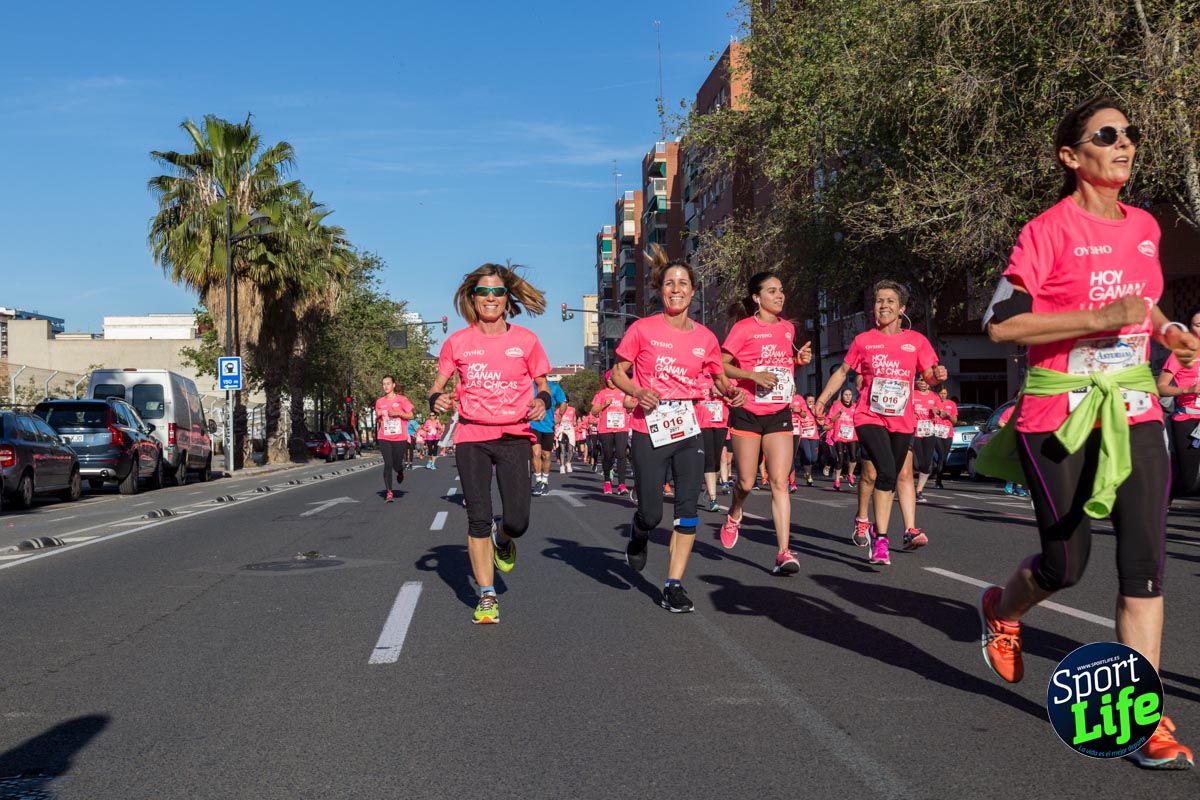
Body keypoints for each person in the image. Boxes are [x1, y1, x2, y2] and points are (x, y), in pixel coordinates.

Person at [979, 97, 1197, 769]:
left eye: (1131, 133)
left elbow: (1144, 296)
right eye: (1108, 135)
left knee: (1144, 566)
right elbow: (1003, 325)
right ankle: (1000, 609)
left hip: (1132, 407)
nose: (1126, 143)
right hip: (1060, 417)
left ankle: (1144, 716)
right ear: (1072, 156)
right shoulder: (1046, 231)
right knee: (1065, 565)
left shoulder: (1145, 228)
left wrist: (1164, 329)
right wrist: (1099, 316)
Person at [611, 245, 744, 612]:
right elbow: (616, 372)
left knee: (687, 508)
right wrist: (638, 390)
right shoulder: (642, 330)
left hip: (688, 428)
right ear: (661, 290)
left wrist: (731, 393)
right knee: (653, 512)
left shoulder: (705, 338)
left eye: (682, 283)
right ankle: (639, 533)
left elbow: (718, 379)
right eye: (669, 283)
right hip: (648, 429)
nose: (675, 289)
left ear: (693, 290)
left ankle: (673, 584)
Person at [427, 263, 552, 625]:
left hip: (514, 435)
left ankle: (505, 538)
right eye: (484, 292)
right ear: (473, 297)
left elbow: (542, 384)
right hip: (472, 436)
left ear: (507, 298)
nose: (491, 298)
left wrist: (542, 399)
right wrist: (436, 399)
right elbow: (437, 385)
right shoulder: (458, 343)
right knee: (478, 517)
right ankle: (486, 594)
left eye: (498, 292)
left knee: (518, 518)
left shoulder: (526, 341)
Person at [814, 280, 947, 565]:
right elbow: (843, 372)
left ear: (902, 309)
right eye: (879, 301)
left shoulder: (916, 341)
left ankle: (880, 529)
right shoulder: (864, 341)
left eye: (889, 301)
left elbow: (930, 376)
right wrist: (823, 400)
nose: (883, 305)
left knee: (889, 475)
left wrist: (939, 375)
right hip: (869, 416)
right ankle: (882, 539)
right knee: (886, 470)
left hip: (902, 420)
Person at [719, 272, 813, 574]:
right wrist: (751, 376)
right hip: (748, 412)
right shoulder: (743, 328)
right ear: (757, 298)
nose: (779, 295)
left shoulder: (787, 329)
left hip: (779, 413)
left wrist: (799, 362)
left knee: (779, 482)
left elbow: (783, 367)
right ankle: (735, 513)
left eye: (781, 290)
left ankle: (784, 551)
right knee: (746, 482)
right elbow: (721, 363)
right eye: (772, 291)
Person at [1157, 306, 1200, 496]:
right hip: (1188, 420)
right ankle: (1164, 499)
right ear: (1190, 328)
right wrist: (1187, 389)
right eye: (1199, 325)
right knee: (1188, 481)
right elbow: (1161, 386)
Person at [590, 370, 636, 495]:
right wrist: (603, 405)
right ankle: (607, 483)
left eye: (613, 379)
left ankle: (621, 484)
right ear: (606, 380)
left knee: (621, 455)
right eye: (609, 379)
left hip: (622, 428)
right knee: (608, 456)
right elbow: (594, 411)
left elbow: (632, 405)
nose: (611, 381)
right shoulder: (601, 393)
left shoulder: (625, 392)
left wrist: (631, 406)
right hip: (606, 429)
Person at [374, 375, 415, 503]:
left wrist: (399, 413)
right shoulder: (379, 402)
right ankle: (389, 492)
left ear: (393, 385)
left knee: (397, 463)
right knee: (388, 464)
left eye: (388, 383)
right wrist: (379, 415)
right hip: (384, 437)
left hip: (399, 437)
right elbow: (378, 418)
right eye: (384, 384)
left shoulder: (402, 400)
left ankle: (400, 471)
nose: (385, 386)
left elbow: (411, 415)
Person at [696, 377, 730, 512]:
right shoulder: (698, 377)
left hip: (721, 421)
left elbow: (735, 400)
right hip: (703, 423)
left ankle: (710, 487)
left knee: (716, 461)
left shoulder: (726, 379)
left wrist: (721, 393)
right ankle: (713, 498)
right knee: (709, 460)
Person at [529, 380, 566, 496]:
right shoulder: (529, 385)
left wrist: (560, 414)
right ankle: (538, 481)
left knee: (546, 455)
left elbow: (563, 402)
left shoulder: (554, 387)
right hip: (532, 424)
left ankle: (545, 481)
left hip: (548, 426)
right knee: (536, 453)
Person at [911, 377, 940, 503]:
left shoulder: (934, 396)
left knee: (926, 464)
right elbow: (905, 410)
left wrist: (937, 411)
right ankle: (907, 486)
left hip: (929, 431)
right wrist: (911, 414)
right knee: (917, 464)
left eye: (926, 381)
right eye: (921, 380)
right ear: (917, 382)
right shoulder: (912, 394)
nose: (923, 383)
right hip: (915, 431)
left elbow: (940, 410)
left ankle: (918, 491)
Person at [827, 387, 859, 490]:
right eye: (846, 395)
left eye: (850, 395)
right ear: (842, 396)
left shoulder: (855, 406)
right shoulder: (836, 406)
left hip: (852, 435)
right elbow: (831, 419)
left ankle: (850, 474)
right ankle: (837, 480)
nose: (848, 397)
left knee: (853, 457)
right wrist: (839, 414)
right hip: (839, 435)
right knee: (840, 459)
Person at [928, 387, 958, 490]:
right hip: (936, 432)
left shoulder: (952, 404)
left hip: (947, 433)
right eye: (941, 393)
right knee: (941, 454)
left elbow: (955, 421)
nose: (943, 395)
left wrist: (949, 415)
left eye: (945, 393)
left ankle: (938, 477)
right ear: (937, 394)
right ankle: (938, 480)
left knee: (944, 458)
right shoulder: (933, 403)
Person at [791, 393, 820, 489]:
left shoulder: (815, 410)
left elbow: (822, 421)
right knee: (808, 456)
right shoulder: (802, 409)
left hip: (814, 436)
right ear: (804, 402)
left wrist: (818, 416)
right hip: (803, 436)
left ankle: (808, 473)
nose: (811, 403)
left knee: (814, 458)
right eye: (809, 402)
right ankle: (808, 475)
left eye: (813, 401)